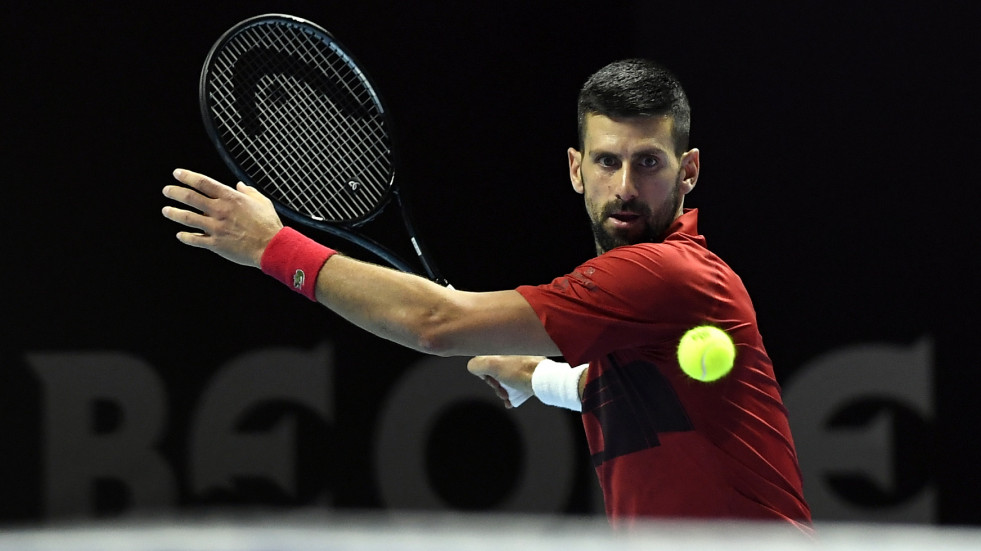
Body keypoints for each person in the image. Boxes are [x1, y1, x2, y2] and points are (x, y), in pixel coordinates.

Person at [162, 59, 811, 530]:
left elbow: (434, 322)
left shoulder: (668, 273)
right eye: (607, 160)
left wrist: (272, 248)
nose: (623, 185)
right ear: (574, 168)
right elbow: (636, 395)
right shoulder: (647, 303)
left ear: (687, 170)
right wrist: (535, 374)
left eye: (647, 162)